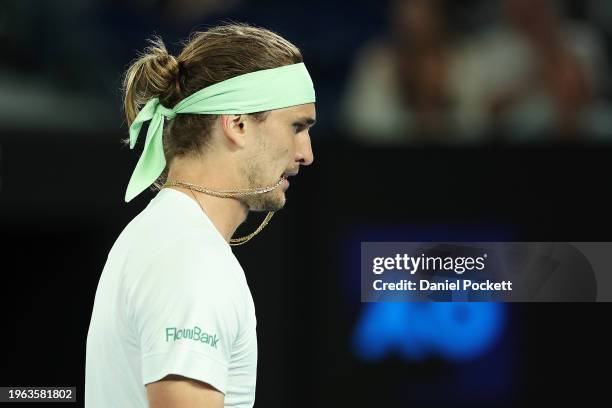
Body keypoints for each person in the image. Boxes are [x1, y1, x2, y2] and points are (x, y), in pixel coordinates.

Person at [84, 23, 316, 408]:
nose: (306, 153)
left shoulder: (165, 236)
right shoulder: (191, 260)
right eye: (296, 127)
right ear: (237, 124)